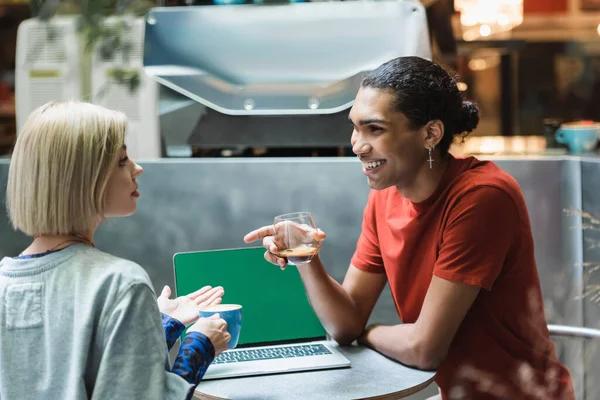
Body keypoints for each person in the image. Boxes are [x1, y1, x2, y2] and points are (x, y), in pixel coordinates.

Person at [245, 56, 575, 399]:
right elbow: (345, 325)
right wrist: (306, 258)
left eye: (375, 129)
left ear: (430, 133)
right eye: (355, 127)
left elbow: (423, 349)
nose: (357, 145)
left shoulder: (482, 197)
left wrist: (368, 333)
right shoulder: (384, 199)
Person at [0, 101, 231, 399]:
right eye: (122, 160)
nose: (138, 168)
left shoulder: (4, 283)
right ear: (83, 178)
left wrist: (160, 325)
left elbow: (76, 370)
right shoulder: (121, 283)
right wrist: (200, 345)